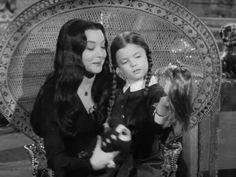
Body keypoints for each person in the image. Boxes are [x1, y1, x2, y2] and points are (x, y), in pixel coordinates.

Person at [30, 19, 119, 177]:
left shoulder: (112, 82)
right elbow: (56, 159)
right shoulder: (52, 94)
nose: (101, 54)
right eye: (91, 47)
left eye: (103, 46)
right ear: (73, 53)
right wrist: (91, 164)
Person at [99, 31, 171, 177]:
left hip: (145, 165)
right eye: (125, 62)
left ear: (147, 57)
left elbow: (156, 132)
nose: (133, 64)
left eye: (138, 56)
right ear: (118, 69)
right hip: (116, 162)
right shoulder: (118, 93)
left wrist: (161, 111)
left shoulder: (156, 93)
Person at [155, 64, 193, 177]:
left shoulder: (165, 102)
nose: (163, 84)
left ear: (174, 86)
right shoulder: (185, 104)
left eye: (166, 82)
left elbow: (156, 129)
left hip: (161, 161)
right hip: (177, 161)